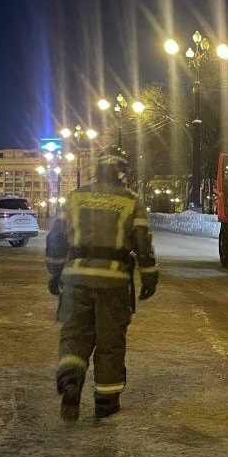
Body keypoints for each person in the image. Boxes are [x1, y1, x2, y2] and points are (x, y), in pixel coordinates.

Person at [46, 147, 158, 420]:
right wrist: (149, 274)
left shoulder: (75, 197)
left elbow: (56, 237)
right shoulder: (130, 201)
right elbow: (142, 241)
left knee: (75, 335)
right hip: (114, 283)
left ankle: (71, 380)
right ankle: (106, 402)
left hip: (76, 279)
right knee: (110, 342)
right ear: (121, 175)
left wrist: (55, 271)